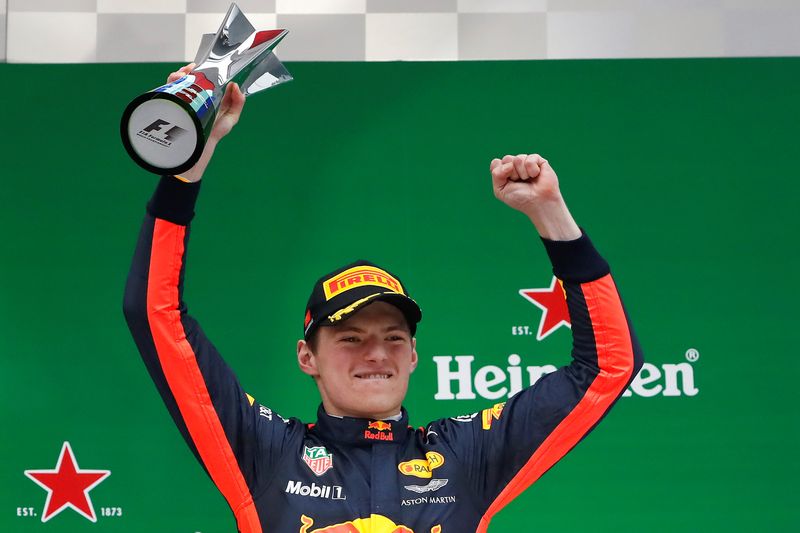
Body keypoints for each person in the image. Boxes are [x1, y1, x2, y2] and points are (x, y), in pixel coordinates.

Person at [123, 64, 643, 533]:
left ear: (414, 356)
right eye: (350, 337)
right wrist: (187, 165)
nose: (376, 353)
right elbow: (154, 314)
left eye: (394, 337)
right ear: (308, 357)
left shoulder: (467, 456)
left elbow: (609, 367)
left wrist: (550, 215)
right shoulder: (263, 452)